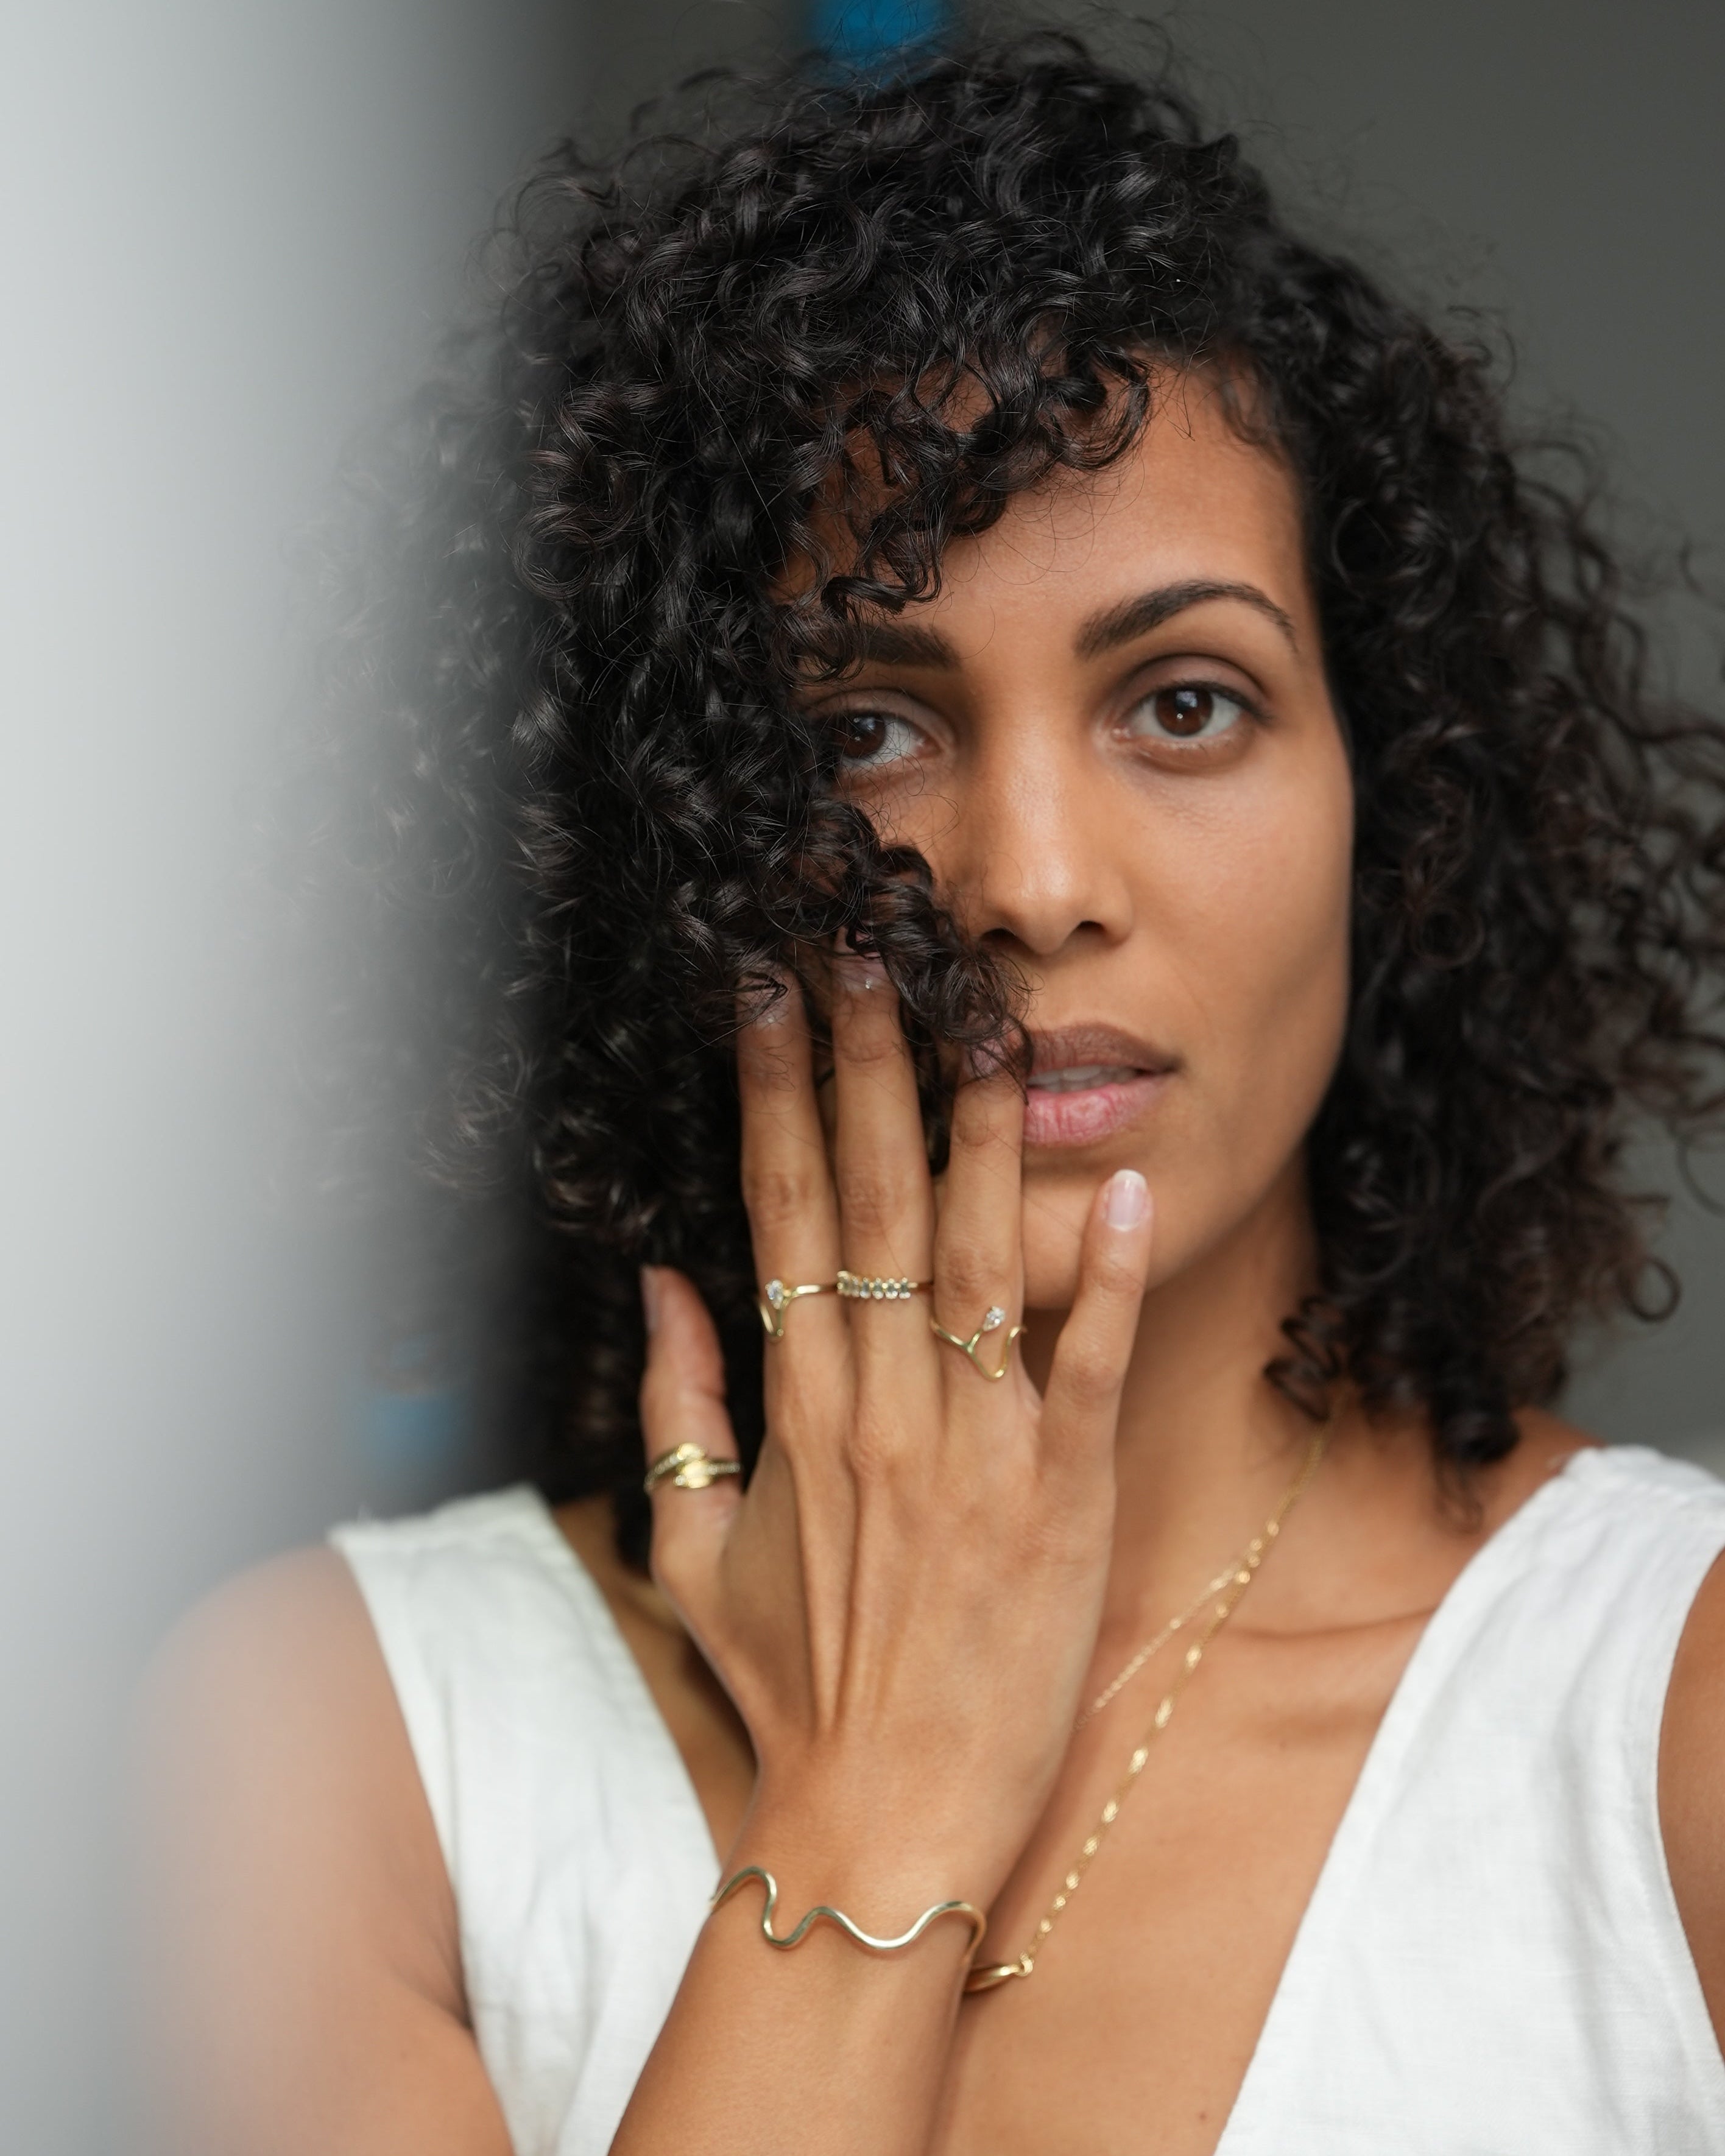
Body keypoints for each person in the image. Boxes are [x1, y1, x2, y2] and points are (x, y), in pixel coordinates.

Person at [138, 34, 1725, 2155]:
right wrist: (885, 1795)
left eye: (1187, 701)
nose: (1031, 884)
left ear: (1396, 804)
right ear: (669, 842)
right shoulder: (322, 1752)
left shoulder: (1673, 1719)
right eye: (870, 728)